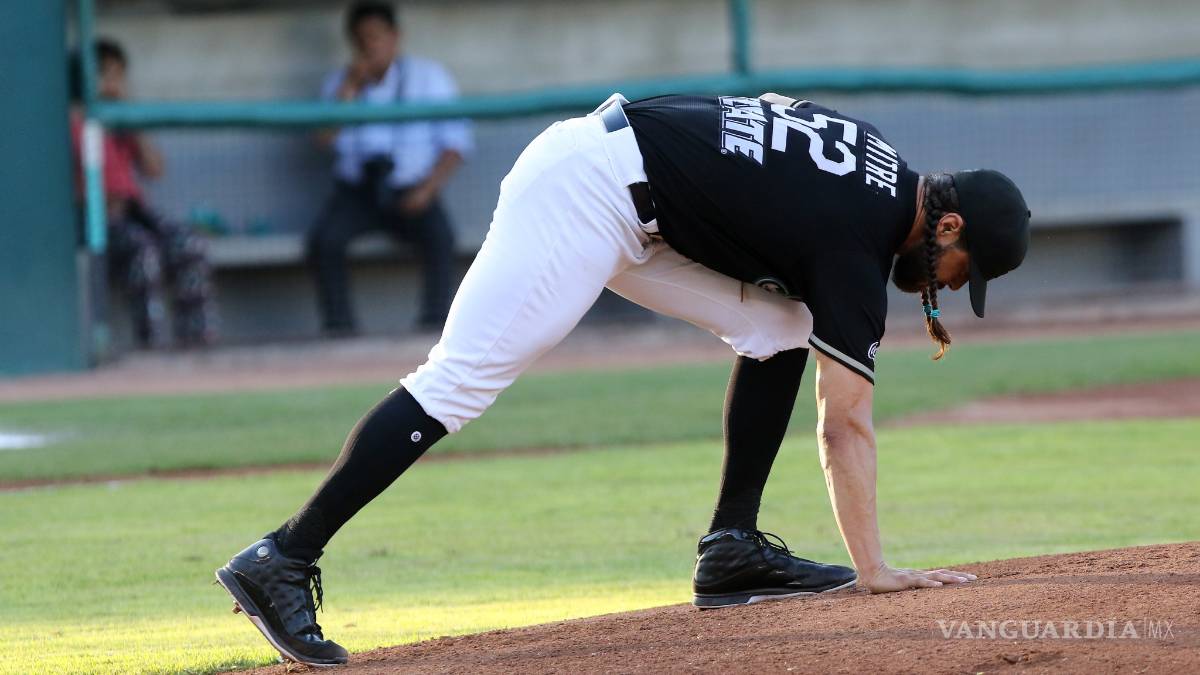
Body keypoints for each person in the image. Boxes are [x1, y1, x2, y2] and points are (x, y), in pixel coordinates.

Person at [217, 92, 1029, 666]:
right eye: (965, 268)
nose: (951, 284)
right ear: (949, 224)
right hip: (585, 192)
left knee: (778, 326)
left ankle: (732, 548)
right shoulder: (858, 241)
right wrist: (874, 567)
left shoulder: (872, 151)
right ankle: (282, 556)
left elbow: (764, 125)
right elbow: (843, 423)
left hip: (632, 189)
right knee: (459, 380)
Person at [307, 1, 473, 336]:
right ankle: (340, 330)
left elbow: (456, 144)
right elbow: (322, 140)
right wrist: (349, 90)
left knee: (441, 237)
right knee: (324, 241)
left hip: (412, 189)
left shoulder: (428, 77)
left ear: (395, 37)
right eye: (360, 39)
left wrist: (427, 190)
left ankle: (434, 328)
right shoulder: (340, 83)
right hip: (357, 191)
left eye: (375, 37)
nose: (369, 46)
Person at [69, 39, 218, 349]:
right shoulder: (70, 121)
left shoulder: (122, 120)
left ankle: (197, 340)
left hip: (133, 211)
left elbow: (154, 169)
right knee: (143, 251)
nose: (111, 83)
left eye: (117, 75)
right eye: (103, 74)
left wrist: (129, 117)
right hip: (92, 219)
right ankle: (153, 346)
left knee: (189, 244)